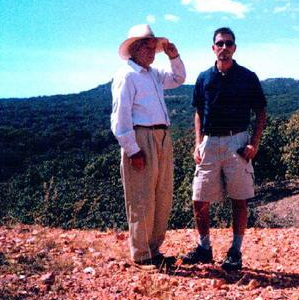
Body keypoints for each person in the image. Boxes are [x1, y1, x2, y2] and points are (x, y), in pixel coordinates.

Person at [182, 27, 267, 271]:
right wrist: (198, 142)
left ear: (235, 48)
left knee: (239, 199)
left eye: (229, 44)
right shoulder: (204, 78)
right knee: (199, 198)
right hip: (209, 142)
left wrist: (254, 143)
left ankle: (235, 251)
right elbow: (198, 111)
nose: (224, 48)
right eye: (220, 43)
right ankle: (204, 248)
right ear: (213, 48)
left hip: (237, 141)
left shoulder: (247, 77)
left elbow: (260, 111)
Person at [110, 24, 186, 266]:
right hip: (141, 137)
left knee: (162, 194)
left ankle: (154, 251)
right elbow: (120, 118)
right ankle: (142, 255)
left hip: (162, 137)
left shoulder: (153, 74)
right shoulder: (127, 75)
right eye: (146, 46)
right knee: (141, 196)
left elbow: (179, 78)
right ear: (133, 48)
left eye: (154, 46)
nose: (152, 51)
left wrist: (174, 56)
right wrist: (132, 150)